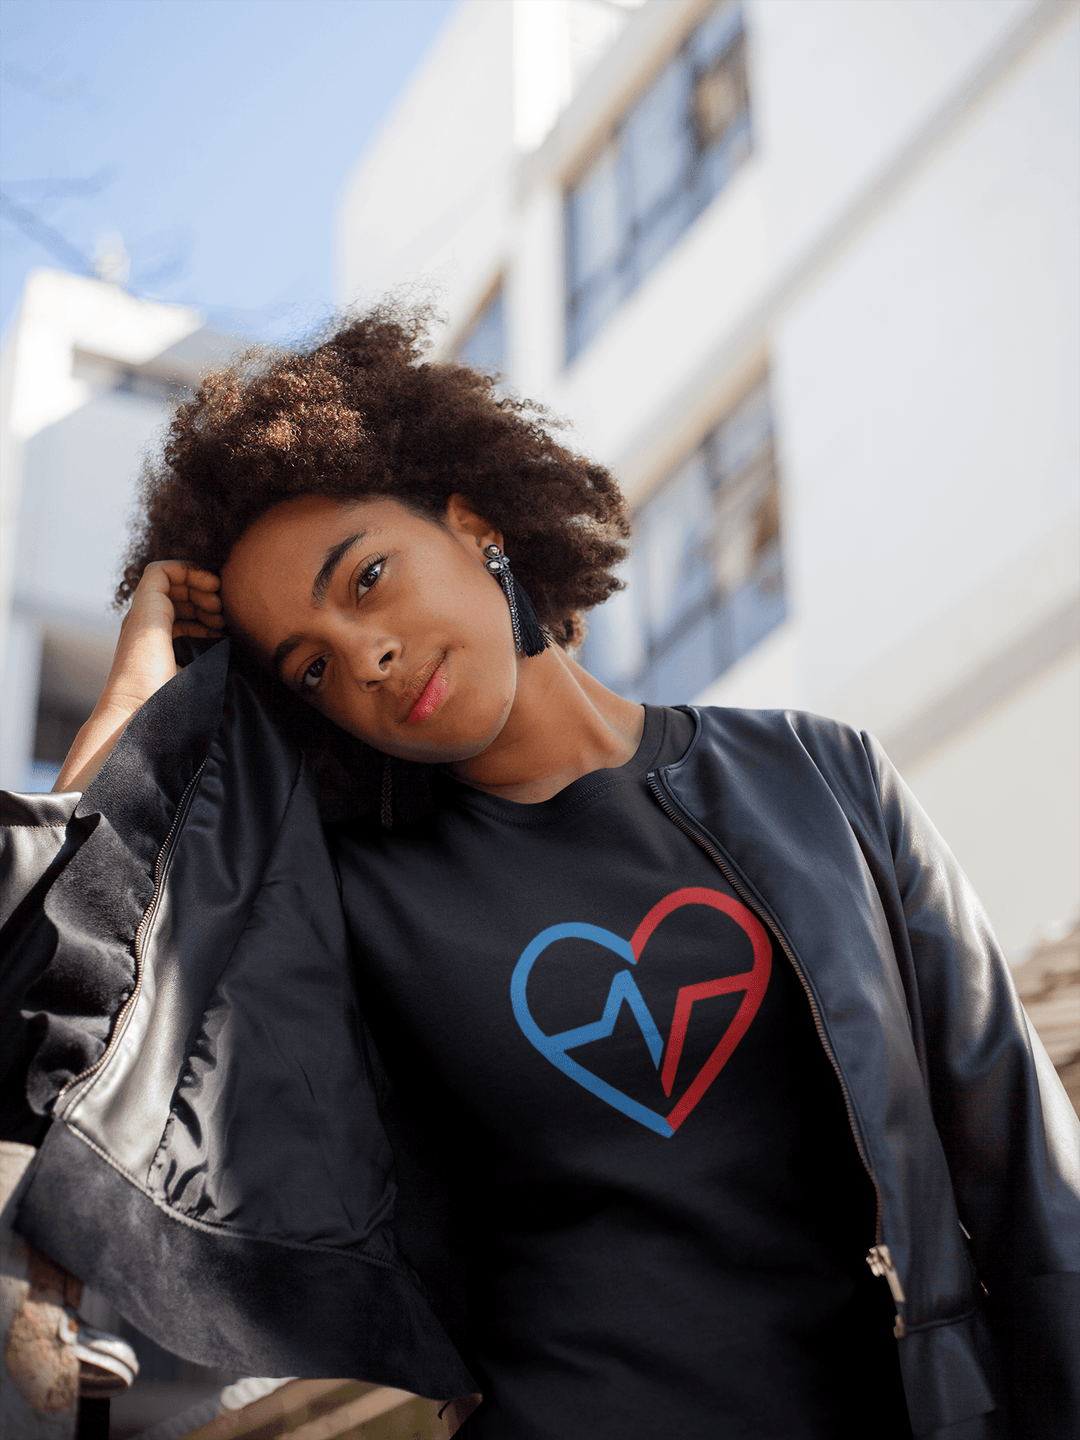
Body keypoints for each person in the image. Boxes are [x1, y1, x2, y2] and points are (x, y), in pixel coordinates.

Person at [1, 306, 1076, 1440]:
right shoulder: (356, 902)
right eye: (311, 668)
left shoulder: (817, 775)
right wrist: (136, 699)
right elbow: (62, 1026)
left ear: (477, 528)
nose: (364, 656)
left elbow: (1022, 1167)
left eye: (367, 578)